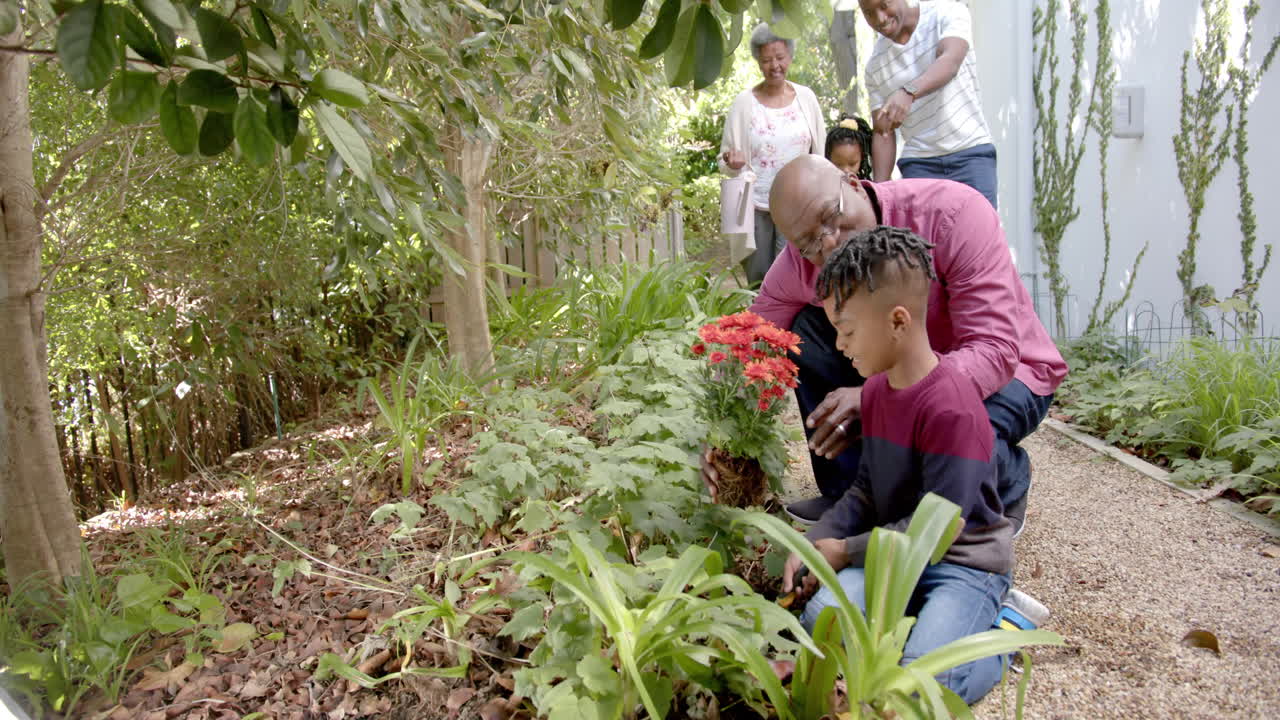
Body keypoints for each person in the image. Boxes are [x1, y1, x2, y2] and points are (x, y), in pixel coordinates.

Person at [701, 154, 1066, 527]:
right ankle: (847, 491)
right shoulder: (801, 261)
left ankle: (1007, 480)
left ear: (854, 183)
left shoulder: (954, 213)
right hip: (899, 368)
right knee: (804, 328)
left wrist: (882, 397)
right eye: (808, 242)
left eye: (831, 217)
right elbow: (747, 345)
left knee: (948, 443)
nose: (829, 245)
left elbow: (995, 351)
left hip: (1012, 374)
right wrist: (716, 436)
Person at [782, 224, 1013, 704]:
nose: (840, 346)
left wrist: (844, 550)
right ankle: (918, 629)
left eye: (845, 331)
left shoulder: (952, 405)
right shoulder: (878, 392)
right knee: (819, 619)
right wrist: (810, 545)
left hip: (963, 564)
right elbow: (866, 490)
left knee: (921, 686)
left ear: (898, 321)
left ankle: (1001, 638)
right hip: (892, 556)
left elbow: (940, 530)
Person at [860, 0, 999, 208]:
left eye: (884, 5)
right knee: (924, 241)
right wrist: (880, 192)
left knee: (980, 237)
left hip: (970, 154)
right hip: (919, 165)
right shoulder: (875, 66)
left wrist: (909, 91)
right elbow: (883, 132)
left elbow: (950, 61)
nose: (880, 18)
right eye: (869, 13)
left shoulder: (946, 13)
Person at [719, 23, 826, 286]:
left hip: (797, 203)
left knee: (790, 275)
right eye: (766, 60)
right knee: (757, 279)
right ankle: (758, 325)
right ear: (758, 62)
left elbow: (820, 152)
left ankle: (787, 328)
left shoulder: (806, 98)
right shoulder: (744, 102)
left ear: (790, 56)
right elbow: (724, 159)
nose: (774, 65)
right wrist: (732, 163)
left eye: (780, 58)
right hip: (753, 203)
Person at [824, 115, 873, 180]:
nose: (846, 171)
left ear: (862, 159)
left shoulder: (866, 188)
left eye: (852, 164)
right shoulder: (823, 187)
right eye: (838, 165)